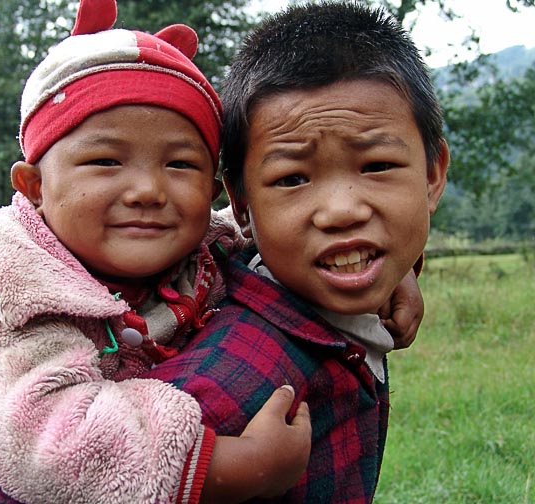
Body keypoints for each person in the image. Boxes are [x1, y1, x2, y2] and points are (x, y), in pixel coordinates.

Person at [0, 0, 313, 503]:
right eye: (106, 160)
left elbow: (277, 250)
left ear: (214, 191)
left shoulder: (205, 248)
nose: (148, 190)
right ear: (34, 187)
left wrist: (386, 280)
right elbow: (44, 443)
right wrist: (225, 469)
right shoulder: (12, 294)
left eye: (180, 165)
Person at [146, 2, 450, 502]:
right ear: (242, 207)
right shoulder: (235, 382)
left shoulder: (337, 296)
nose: (340, 212)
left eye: (376, 166)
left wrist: (398, 270)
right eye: (292, 178)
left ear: (431, 174)